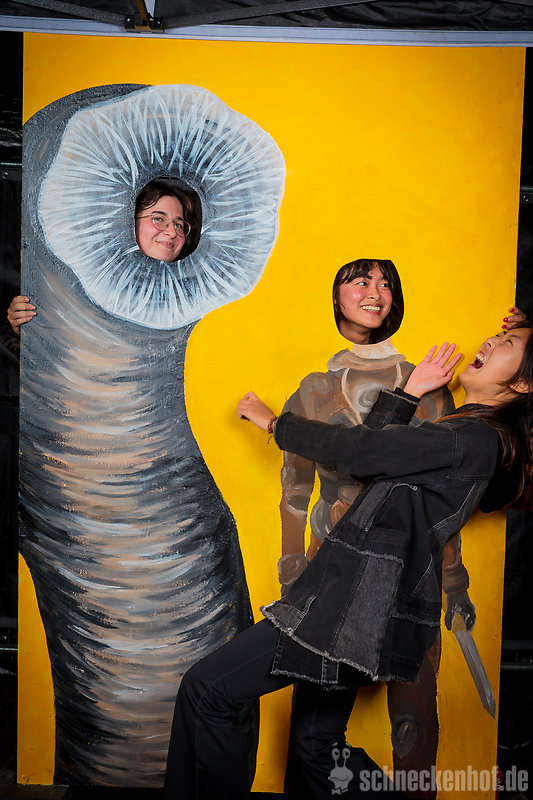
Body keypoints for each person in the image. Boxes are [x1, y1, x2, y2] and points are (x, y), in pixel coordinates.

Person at [164, 324, 533, 800]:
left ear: (523, 382)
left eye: (507, 344)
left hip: (353, 606)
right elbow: (368, 464)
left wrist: (277, 425)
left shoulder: (474, 438)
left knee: (208, 690)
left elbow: (362, 452)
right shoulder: (465, 433)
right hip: (359, 605)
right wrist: (408, 393)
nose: (490, 342)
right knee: (316, 747)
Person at [6, 177, 202, 336]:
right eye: (158, 218)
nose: (172, 232)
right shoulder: (83, 283)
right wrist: (30, 332)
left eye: (179, 224)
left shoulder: (194, 298)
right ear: (128, 222)